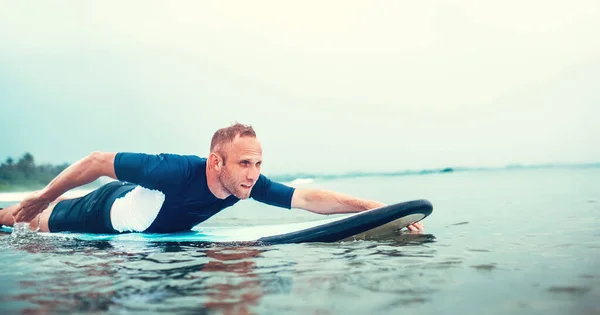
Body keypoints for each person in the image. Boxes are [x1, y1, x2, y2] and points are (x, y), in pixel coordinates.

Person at [1, 123, 424, 234]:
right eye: (244, 164)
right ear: (215, 162)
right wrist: (39, 198)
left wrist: (377, 210)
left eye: (258, 164)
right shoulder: (172, 169)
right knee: (24, 220)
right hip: (103, 212)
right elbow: (95, 161)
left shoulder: (248, 185)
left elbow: (311, 199)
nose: (253, 175)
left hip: (141, 219)